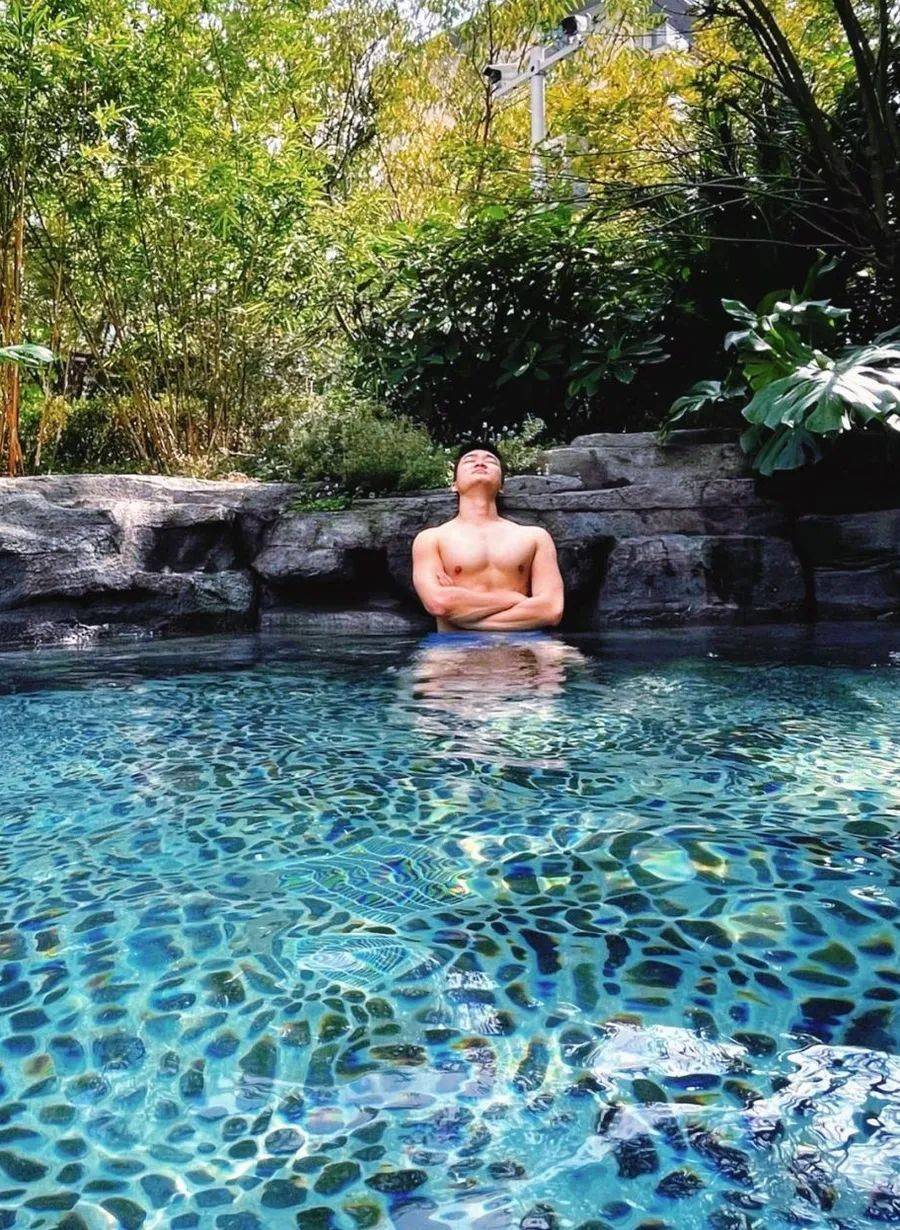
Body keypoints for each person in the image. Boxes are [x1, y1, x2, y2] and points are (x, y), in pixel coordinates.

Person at [411, 442, 565, 632]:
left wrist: (462, 614)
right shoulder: (431, 539)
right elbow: (439, 603)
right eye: (470, 460)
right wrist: (514, 598)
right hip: (454, 643)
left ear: (502, 486)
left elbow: (551, 609)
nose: (480, 463)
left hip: (524, 640)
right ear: (454, 485)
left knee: (560, 651)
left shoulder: (535, 537)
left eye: (490, 460)